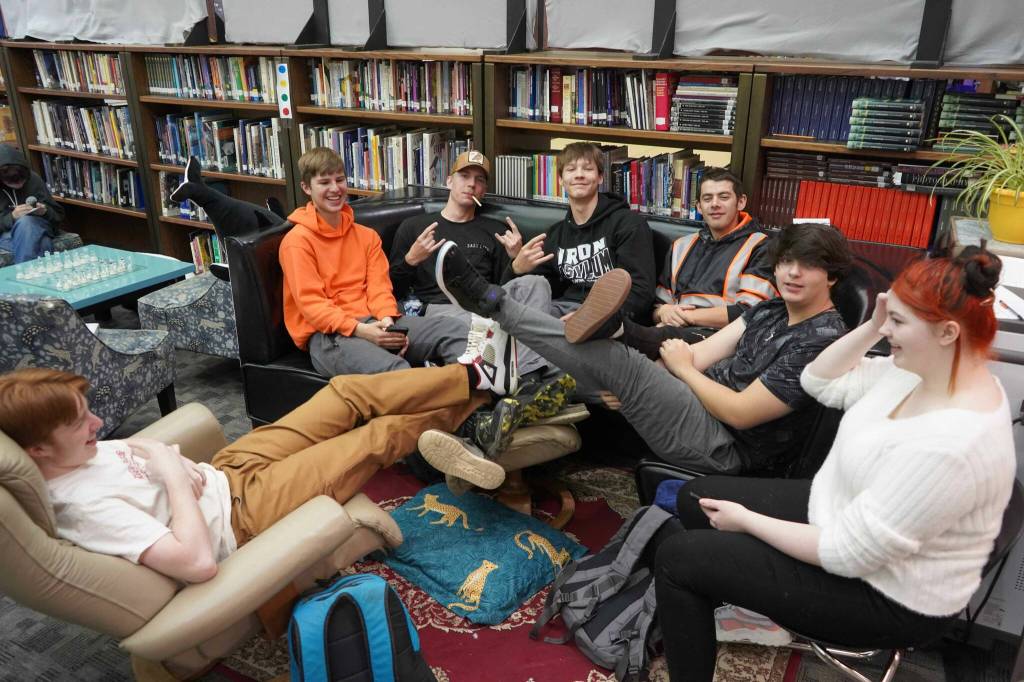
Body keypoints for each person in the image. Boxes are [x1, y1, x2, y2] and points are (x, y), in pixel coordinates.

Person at [651, 247, 1016, 682]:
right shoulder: (923, 368)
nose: (888, 333)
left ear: (947, 332)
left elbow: (847, 552)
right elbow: (818, 380)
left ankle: (710, 604)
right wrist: (874, 325)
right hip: (843, 508)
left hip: (885, 594)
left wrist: (747, 521)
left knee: (677, 559)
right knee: (695, 498)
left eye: (898, 324)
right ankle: (731, 593)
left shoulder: (952, 443)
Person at [0, 352, 526, 583]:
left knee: (345, 393)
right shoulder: (82, 508)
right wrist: (167, 469)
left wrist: (170, 464)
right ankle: (480, 413)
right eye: (78, 423)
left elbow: (151, 461)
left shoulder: (79, 451)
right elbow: (197, 563)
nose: (97, 422)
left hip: (226, 469)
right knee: (377, 437)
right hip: (241, 516)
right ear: (39, 451)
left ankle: (475, 381)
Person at [422, 222, 851, 485]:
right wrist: (676, 367)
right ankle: (489, 417)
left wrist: (679, 370)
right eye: (787, 262)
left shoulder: (823, 339)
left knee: (617, 362)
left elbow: (740, 412)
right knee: (595, 361)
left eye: (808, 265)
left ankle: (490, 304)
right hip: (697, 406)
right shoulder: (773, 309)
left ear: (832, 275)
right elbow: (700, 357)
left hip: (727, 448)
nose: (793, 273)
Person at [279, 147, 495, 384]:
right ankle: (454, 408)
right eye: (324, 182)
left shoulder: (366, 236)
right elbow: (313, 307)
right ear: (307, 188)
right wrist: (363, 331)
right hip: (330, 335)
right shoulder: (297, 242)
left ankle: (471, 399)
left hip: (376, 321)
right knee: (398, 372)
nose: (334, 188)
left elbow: (380, 288)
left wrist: (388, 324)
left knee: (455, 331)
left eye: (339, 179)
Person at [500, 141, 656, 323]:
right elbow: (520, 294)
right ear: (560, 180)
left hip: (606, 319)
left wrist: (591, 318)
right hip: (560, 313)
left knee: (534, 330)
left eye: (588, 169)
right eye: (571, 169)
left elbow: (641, 293)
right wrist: (515, 268)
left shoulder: (628, 224)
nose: (579, 175)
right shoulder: (555, 235)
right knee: (533, 285)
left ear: (600, 177)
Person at [645, 167, 777, 344]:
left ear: (741, 202)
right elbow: (656, 305)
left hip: (726, 339)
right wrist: (663, 312)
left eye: (724, 197)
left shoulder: (761, 246)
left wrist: (688, 316)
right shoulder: (680, 246)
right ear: (699, 206)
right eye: (707, 198)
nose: (715, 204)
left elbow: (750, 313)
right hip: (673, 332)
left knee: (634, 344)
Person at [0, 144, 65, 263]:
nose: (19, 185)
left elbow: (58, 216)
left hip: (39, 226)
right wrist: (12, 217)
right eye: (12, 182)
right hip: (6, 235)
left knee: (27, 223)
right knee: (43, 242)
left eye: (22, 181)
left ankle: (25, 275)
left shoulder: (33, 179)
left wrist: (45, 211)